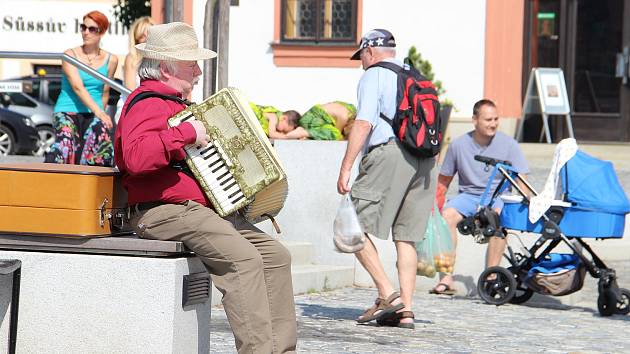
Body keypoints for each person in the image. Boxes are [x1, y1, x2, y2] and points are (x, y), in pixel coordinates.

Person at [114, 22, 297, 353]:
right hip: (161, 211)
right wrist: (185, 134)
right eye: (191, 63)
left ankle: (280, 350)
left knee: (275, 256)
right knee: (243, 259)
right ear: (166, 67)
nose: (198, 71)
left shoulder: (180, 106)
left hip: (199, 211)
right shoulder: (148, 102)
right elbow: (135, 157)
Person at [336, 29, 436, 329]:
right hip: (424, 159)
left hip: (390, 152)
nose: (361, 63)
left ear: (369, 51)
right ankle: (406, 310)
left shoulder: (373, 75)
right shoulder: (414, 75)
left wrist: (346, 167)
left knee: (350, 225)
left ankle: (386, 294)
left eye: (361, 57)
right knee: (406, 237)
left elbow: (364, 122)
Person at [431, 99, 530, 295]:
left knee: (499, 219)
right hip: (469, 195)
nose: (493, 123)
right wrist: (434, 206)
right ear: (474, 120)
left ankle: (490, 277)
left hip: (498, 196)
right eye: (488, 120)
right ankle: (446, 278)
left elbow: (522, 181)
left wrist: (525, 200)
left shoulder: (509, 144)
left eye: (496, 119)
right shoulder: (458, 145)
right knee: (446, 217)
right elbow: (443, 181)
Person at [45, 10, 118, 166]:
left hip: (94, 112)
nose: (86, 32)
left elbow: (105, 92)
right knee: (65, 143)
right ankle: (48, 181)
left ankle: (95, 187)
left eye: (92, 29)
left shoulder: (111, 60)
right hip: (67, 109)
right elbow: (78, 87)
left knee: (102, 144)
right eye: (83, 27)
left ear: (102, 32)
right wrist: (100, 113)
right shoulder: (69, 55)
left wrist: (100, 115)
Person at [123, 16, 155, 90]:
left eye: (150, 34)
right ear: (136, 39)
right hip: (135, 100)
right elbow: (130, 90)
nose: (147, 39)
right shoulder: (132, 58)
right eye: (142, 36)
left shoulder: (161, 58)